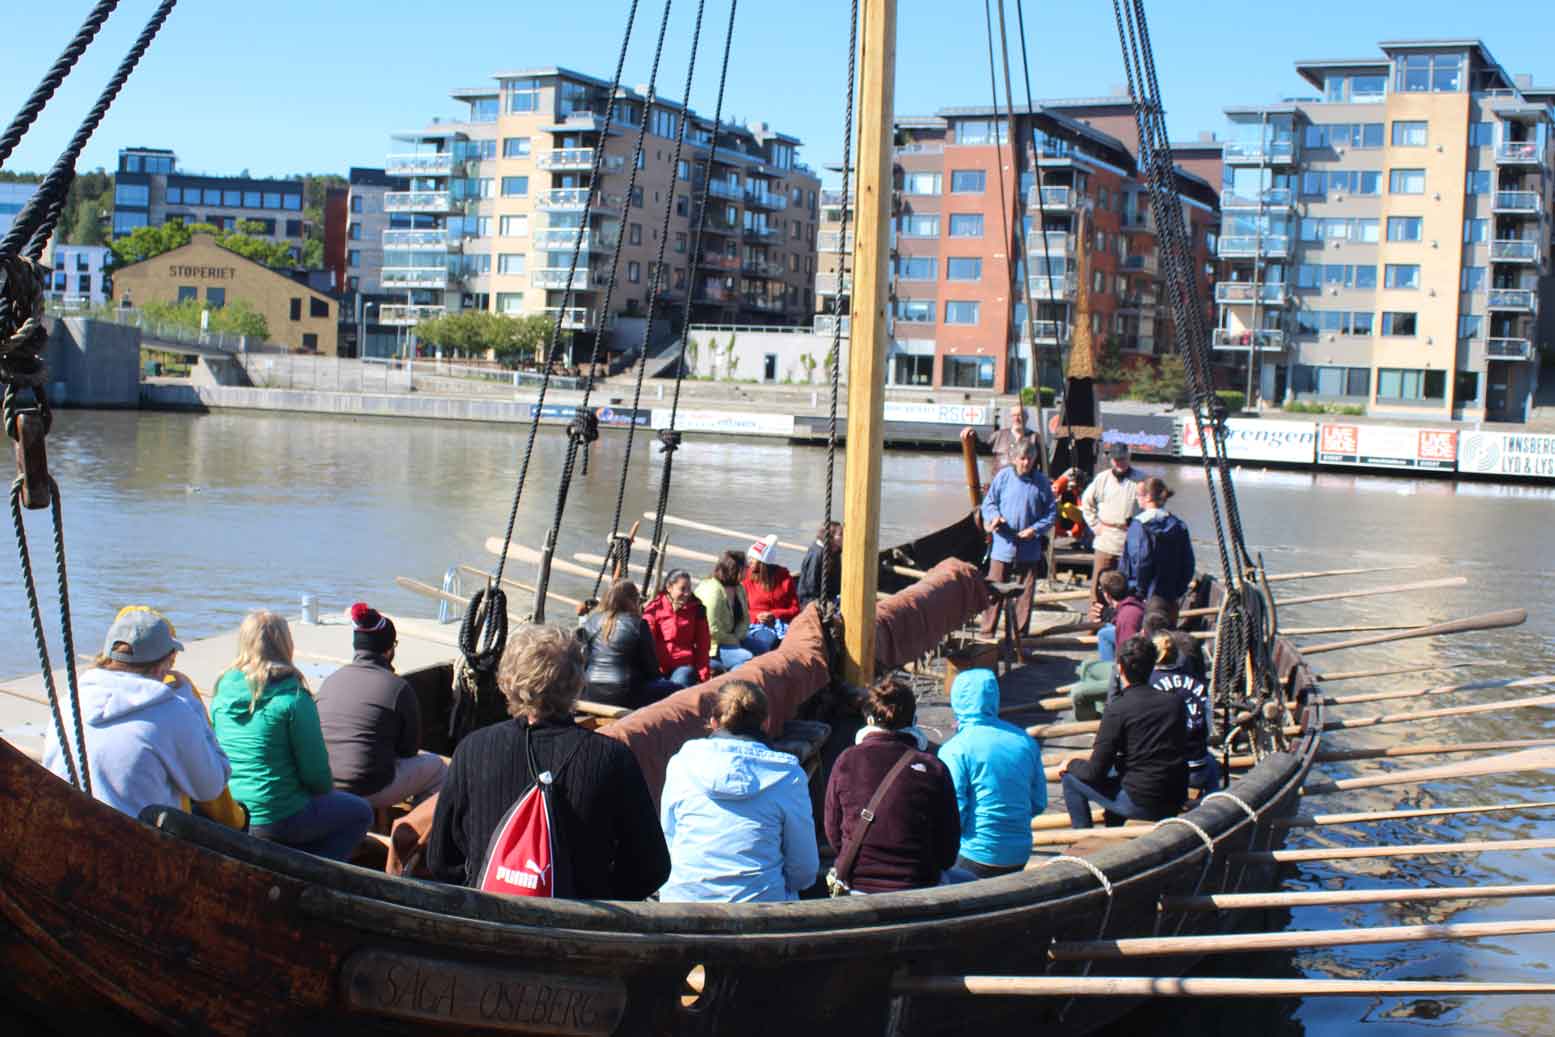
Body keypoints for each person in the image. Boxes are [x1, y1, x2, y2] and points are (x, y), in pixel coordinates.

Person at [425, 624, 669, 898]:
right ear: (578, 683)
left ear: (507, 682)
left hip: (488, 919)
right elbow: (652, 868)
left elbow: (441, 861)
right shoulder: (612, 759)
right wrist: (599, 896)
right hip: (579, 928)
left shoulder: (473, 749)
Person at [212, 611, 372, 861]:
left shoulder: (222, 691)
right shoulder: (294, 699)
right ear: (286, 644)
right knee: (360, 812)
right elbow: (317, 776)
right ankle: (317, 875)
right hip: (277, 817)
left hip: (232, 811)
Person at [43, 609, 230, 820]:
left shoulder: (70, 701)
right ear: (163, 666)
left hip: (64, 826)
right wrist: (191, 703)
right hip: (134, 844)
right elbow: (211, 787)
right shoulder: (173, 711)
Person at [658, 681, 820, 902]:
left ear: (714, 723)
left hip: (683, 902)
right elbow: (804, 869)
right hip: (761, 913)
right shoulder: (788, 775)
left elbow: (669, 839)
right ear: (766, 722)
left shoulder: (681, 764)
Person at [824, 675, 960, 894]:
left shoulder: (846, 761)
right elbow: (948, 851)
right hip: (919, 884)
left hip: (859, 884)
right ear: (914, 721)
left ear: (869, 720)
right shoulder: (933, 767)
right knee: (968, 878)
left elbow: (833, 834)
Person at [315, 603, 445, 810]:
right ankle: (412, 834)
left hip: (325, 786)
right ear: (389, 650)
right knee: (438, 769)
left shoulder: (330, 681)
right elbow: (409, 750)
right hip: (369, 789)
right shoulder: (398, 688)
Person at [1058, 635, 1188, 830]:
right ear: (1152, 666)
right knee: (1118, 773)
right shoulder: (1175, 703)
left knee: (1070, 779)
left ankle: (1082, 837)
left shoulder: (1118, 709)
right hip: (1175, 797)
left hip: (1142, 802)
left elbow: (1094, 772)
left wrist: (1071, 764)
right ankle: (1113, 823)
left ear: (1119, 668)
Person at [938, 669, 1046, 879]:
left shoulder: (954, 749)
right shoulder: (1025, 741)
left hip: (974, 854)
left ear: (957, 699)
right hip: (1020, 852)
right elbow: (1038, 802)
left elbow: (954, 815)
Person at [978, 437, 1057, 637]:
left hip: (1029, 547)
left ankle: (1021, 638)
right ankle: (987, 634)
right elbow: (988, 504)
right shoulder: (1003, 477)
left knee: (1025, 595)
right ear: (1014, 458)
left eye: (1030, 459)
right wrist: (994, 517)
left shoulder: (1042, 482)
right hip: (1003, 545)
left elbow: (1051, 514)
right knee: (994, 590)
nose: (1026, 463)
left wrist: (1035, 529)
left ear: (1035, 459)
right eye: (1022, 458)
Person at [576, 580, 679, 708]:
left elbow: (583, 660)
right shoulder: (639, 625)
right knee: (677, 690)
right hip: (626, 693)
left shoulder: (591, 621)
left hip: (590, 690)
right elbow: (651, 669)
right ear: (632, 600)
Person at [1149, 632, 1219, 793]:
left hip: (1166, 773)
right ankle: (1216, 801)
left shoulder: (1148, 684)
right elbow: (1207, 729)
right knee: (1212, 764)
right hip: (1198, 769)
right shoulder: (1198, 684)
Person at [1120, 477, 1196, 624]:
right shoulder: (1179, 525)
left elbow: (1141, 561)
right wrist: (1178, 590)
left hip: (1145, 599)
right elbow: (1188, 562)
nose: (1137, 499)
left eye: (1138, 495)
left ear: (1148, 497)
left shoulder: (1138, 526)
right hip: (1170, 596)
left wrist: (1137, 591)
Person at [1080, 442, 1146, 602]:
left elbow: (1148, 507)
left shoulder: (1140, 480)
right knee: (1098, 586)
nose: (1119, 463)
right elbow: (1086, 503)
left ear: (1129, 457)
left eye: (1123, 459)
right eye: (1116, 460)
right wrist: (1095, 525)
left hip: (1129, 541)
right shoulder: (1102, 479)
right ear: (1111, 460)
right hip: (1106, 540)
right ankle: (1095, 622)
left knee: (1128, 585)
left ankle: (1123, 619)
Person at [696, 550, 777, 672]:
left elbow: (745, 619)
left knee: (763, 648)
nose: (748, 569)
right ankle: (733, 686)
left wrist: (737, 637)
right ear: (736, 569)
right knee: (746, 657)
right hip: (712, 645)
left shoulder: (739, 588)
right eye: (746, 567)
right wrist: (734, 641)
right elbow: (712, 630)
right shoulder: (713, 592)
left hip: (734, 638)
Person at [643, 569, 711, 688]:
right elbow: (646, 640)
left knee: (677, 685)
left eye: (689, 589)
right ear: (669, 587)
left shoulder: (697, 610)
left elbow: (703, 645)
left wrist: (703, 675)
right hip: (657, 666)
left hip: (683, 665)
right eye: (682, 589)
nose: (686, 593)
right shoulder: (655, 608)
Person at [960, 401, 1036, 482]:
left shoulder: (1034, 438)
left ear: (1027, 417)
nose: (1016, 419)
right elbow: (982, 450)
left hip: (1025, 485)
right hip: (999, 484)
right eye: (1014, 415)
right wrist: (973, 436)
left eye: (1020, 415)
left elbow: (1045, 466)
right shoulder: (999, 435)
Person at [743, 534, 800, 637]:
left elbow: (795, 609)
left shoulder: (784, 578)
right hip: (754, 626)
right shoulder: (745, 578)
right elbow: (740, 610)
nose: (749, 561)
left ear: (763, 563)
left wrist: (774, 615)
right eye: (749, 557)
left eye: (753, 558)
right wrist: (757, 616)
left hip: (781, 625)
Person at [1091, 570, 1146, 663]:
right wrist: (1110, 615)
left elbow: (1128, 650)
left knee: (1103, 634)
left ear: (1107, 595)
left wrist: (1120, 669)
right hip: (1137, 634)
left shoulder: (1127, 616)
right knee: (1106, 629)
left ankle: (1108, 669)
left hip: (1136, 651)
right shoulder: (1131, 600)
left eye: (1101, 590)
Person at [796, 520, 843, 608]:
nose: (844, 537)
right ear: (830, 537)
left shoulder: (835, 552)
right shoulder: (817, 555)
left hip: (831, 598)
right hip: (811, 603)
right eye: (840, 535)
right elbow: (811, 586)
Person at [1051, 467, 1092, 549]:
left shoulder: (1088, 490)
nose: (1072, 489)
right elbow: (1055, 489)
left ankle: (1087, 541)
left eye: (1074, 488)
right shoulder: (1059, 485)